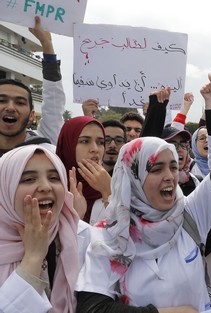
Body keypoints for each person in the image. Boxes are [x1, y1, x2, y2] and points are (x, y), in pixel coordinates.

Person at [75, 67, 211, 312]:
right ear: (133, 178)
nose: (169, 177)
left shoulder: (190, 214)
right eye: (156, 169)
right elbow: (92, 308)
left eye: (173, 167)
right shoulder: (110, 236)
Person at [0, 145, 80, 312]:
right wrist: (33, 258)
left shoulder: (83, 237)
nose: (45, 186)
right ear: (4, 188)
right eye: (28, 179)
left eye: (54, 177)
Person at [0, 16, 64, 156]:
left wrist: (46, 44)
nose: (10, 107)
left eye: (20, 102)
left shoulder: (44, 149)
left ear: (32, 115)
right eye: (2, 100)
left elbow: (54, 103)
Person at [56, 116, 111, 224]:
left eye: (100, 142)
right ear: (68, 145)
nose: (95, 149)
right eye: (85, 141)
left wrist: (109, 193)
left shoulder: (115, 188)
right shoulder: (51, 190)